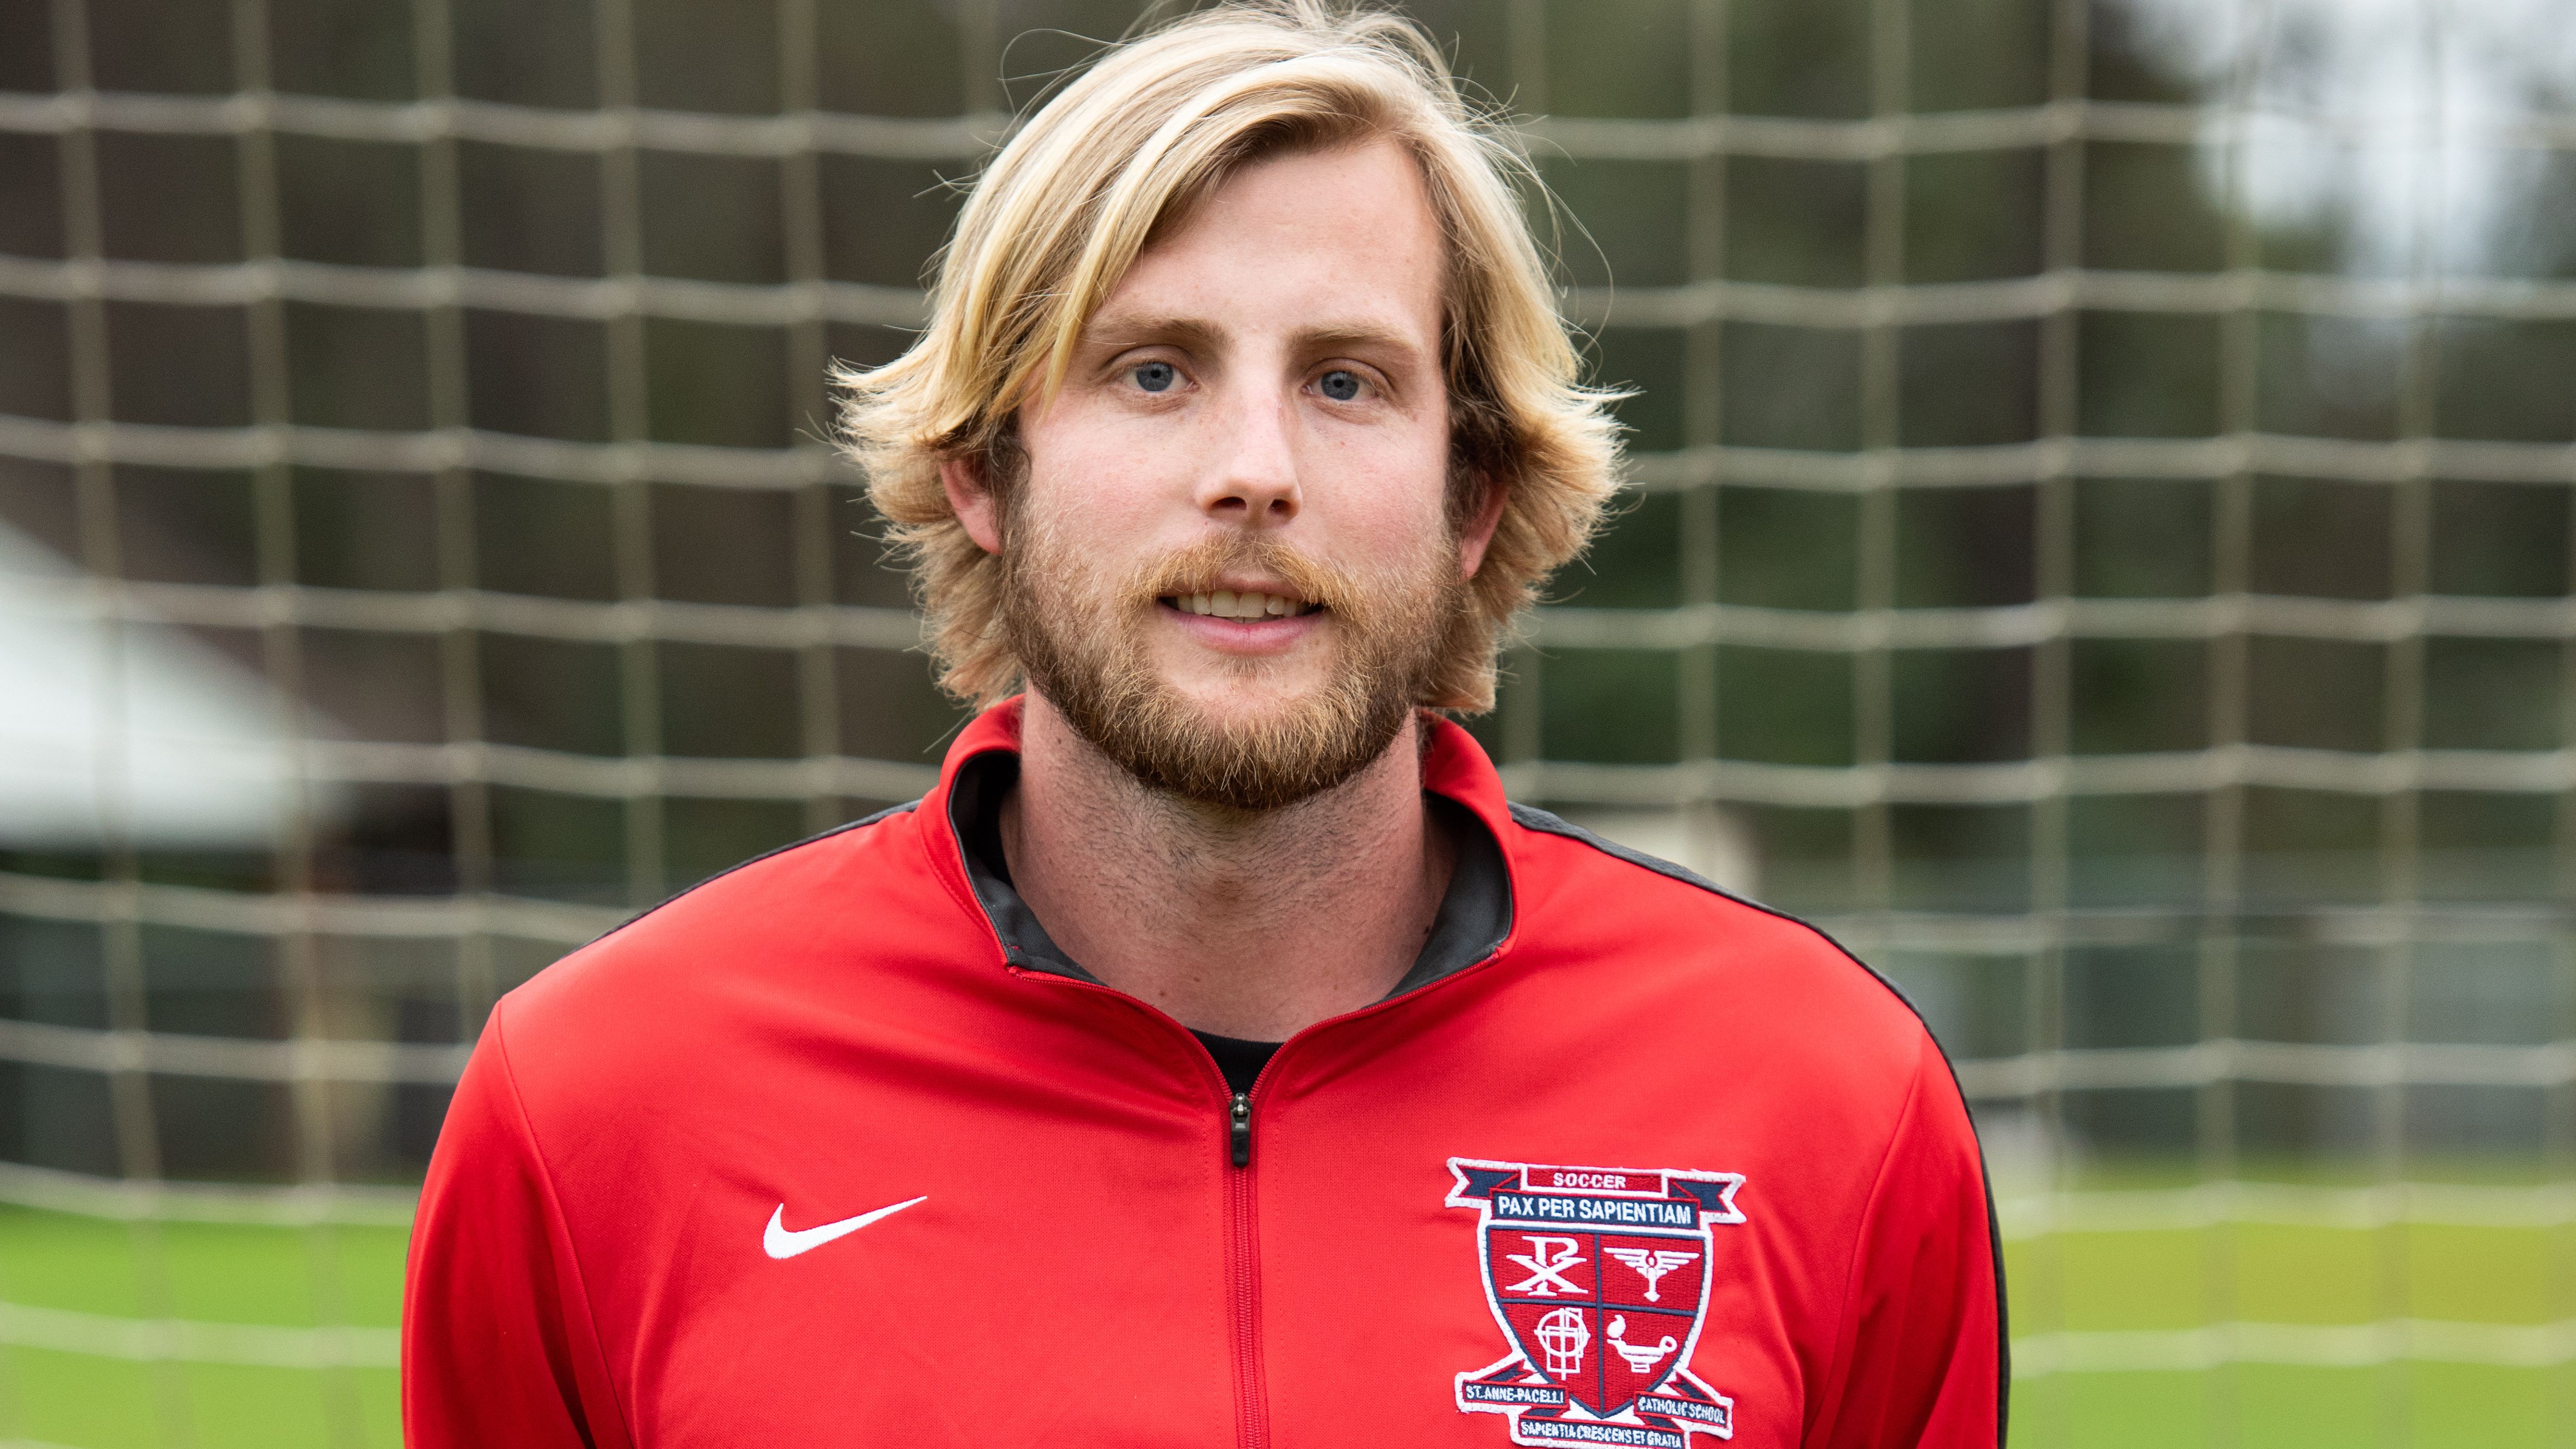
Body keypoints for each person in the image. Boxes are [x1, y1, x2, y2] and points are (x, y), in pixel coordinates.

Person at [401, 4, 2004, 1445]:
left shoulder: (1824, 1097)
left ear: (1474, 494)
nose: (1254, 468)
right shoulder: (600, 1101)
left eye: (1348, 381)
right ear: (983, 470)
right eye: (1153, 372)